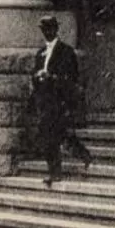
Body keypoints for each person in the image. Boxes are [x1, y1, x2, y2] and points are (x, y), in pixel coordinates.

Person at [29, 16, 86, 185]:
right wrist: (37, 77)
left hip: (59, 100)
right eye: (44, 29)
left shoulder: (66, 51)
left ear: (55, 30)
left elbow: (72, 77)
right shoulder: (40, 53)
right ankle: (55, 170)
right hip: (44, 101)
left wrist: (52, 77)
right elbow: (34, 73)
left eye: (49, 29)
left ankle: (60, 169)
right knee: (50, 136)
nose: (47, 32)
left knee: (56, 135)